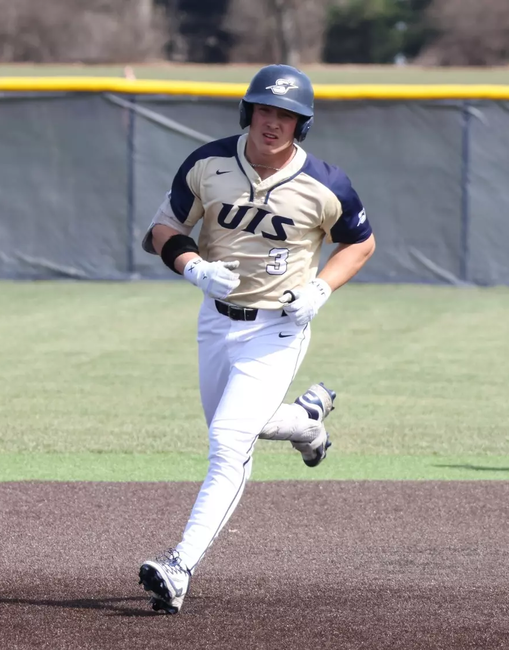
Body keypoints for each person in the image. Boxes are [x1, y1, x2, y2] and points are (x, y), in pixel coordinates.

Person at [135, 63, 376, 612]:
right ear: (249, 111)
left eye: (287, 115)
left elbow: (360, 244)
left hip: (278, 328)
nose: (274, 122)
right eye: (265, 109)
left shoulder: (326, 184)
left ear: (301, 125)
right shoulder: (208, 162)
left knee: (228, 442)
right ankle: (308, 423)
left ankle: (180, 566)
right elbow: (162, 230)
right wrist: (194, 266)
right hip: (216, 321)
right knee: (245, 422)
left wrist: (320, 288)